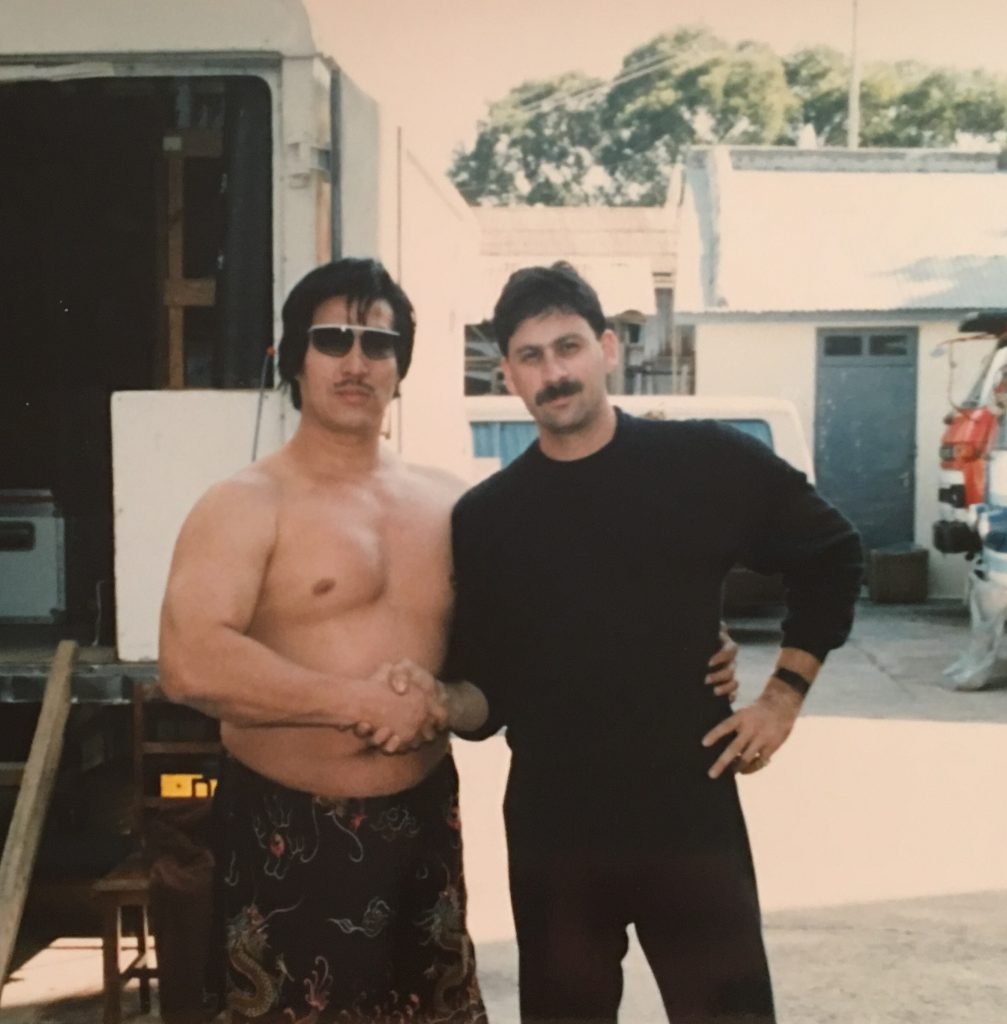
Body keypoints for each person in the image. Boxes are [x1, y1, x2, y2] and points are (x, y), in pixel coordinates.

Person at [158, 255, 742, 1022]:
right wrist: (355, 703)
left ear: (402, 367)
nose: (358, 361)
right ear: (291, 359)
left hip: (422, 835)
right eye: (333, 339)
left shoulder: (451, 507)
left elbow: (554, 617)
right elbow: (191, 662)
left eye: (380, 343)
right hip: (287, 835)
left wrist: (688, 636)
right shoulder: (242, 504)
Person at [446, 262, 863, 1024]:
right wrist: (436, 699)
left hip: (689, 814)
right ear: (507, 374)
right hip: (556, 832)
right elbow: (486, 699)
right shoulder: (487, 519)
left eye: (568, 346)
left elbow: (833, 553)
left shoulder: (703, 464)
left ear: (607, 347)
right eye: (531, 357)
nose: (554, 372)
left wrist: (782, 696)